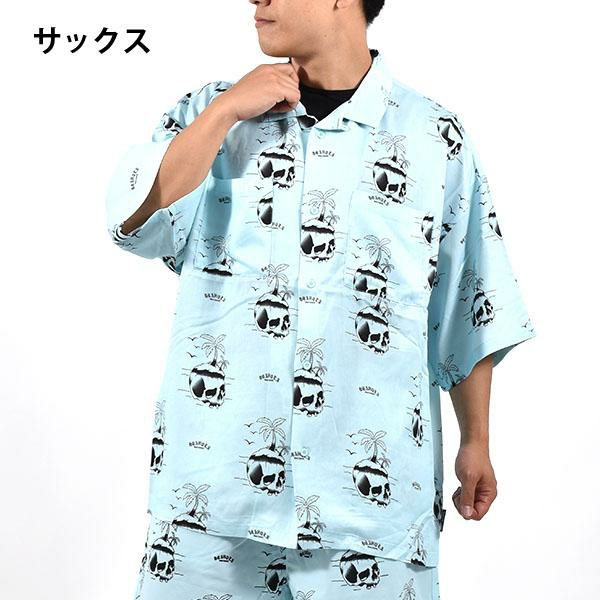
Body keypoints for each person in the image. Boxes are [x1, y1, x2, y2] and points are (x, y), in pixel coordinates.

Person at [105, 1, 536, 598]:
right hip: (211, 500)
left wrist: (476, 440)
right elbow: (132, 222)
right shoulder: (211, 112)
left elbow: (468, 296)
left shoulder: (433, 138)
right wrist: (226, 111)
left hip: (370, 516)